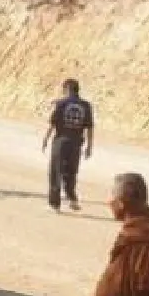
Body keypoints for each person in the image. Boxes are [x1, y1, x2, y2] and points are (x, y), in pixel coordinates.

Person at [41, 78, 95, 212]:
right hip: (76, 143)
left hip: (60, 141)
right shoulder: (86, 105)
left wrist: (45, 139)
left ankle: (54, 204)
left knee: (55, 172)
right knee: (71, 171)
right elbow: (90, 127)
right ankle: (72, 199)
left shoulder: (61, 104)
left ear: (66, 89)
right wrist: (89, 146)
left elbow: (52, 124)